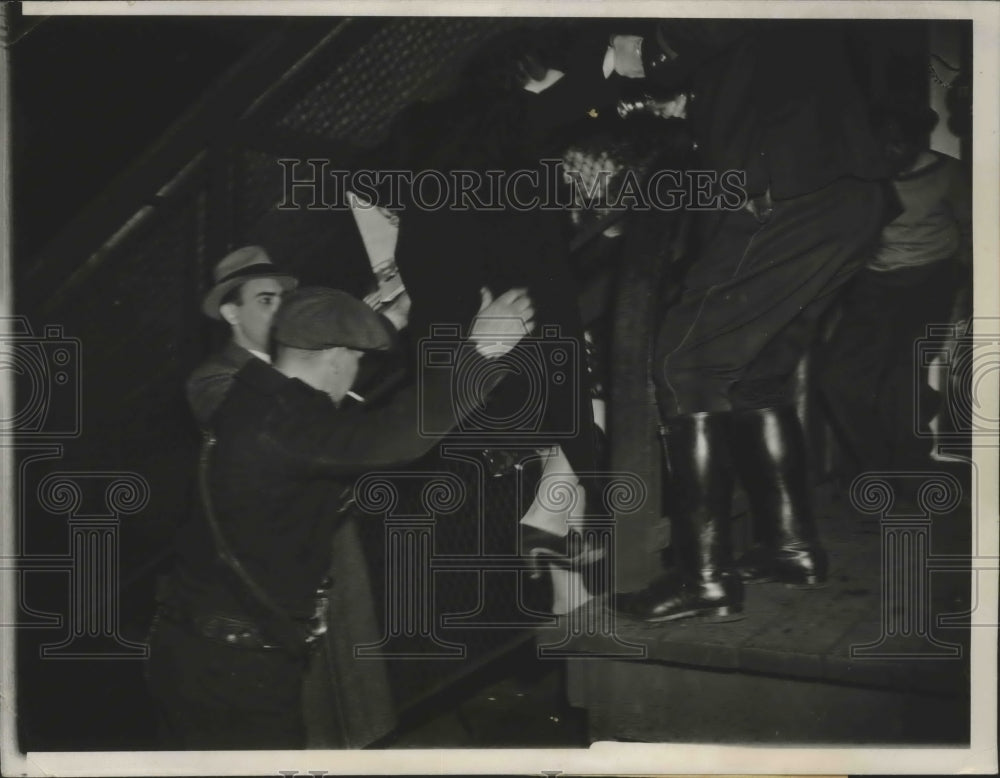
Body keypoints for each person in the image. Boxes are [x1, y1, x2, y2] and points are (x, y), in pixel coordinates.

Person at [147, 284, 535, 749]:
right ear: (334, 357)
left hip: (193, 649)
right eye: (353, 360)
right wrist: (482, 352)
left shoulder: (255, 397)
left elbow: (347, 424)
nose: (353, 375)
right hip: (233, 670)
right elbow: (395, 440)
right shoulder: (287, 428)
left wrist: (387, 324)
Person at [611, 20, 892, 622]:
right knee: (758, 372)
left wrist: (642, 51)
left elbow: (700, 30)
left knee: (682, 363)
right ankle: (790, 548)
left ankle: (703, 580)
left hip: (785, 193)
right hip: (847, 195)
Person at [820, 103, 972, 478]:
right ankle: (876, 464)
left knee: (902, 382)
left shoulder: (949, 173)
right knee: (839, 378)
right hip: (874, 285)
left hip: (930, 282)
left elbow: (973, 233)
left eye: (896, 143)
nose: (887, 152)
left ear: (917, 141)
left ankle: (910, 468)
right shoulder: (864, 175)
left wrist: (964, 296)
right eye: (879, 144)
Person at [185, 245, 297, 428]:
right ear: (232, 314)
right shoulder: (211, 379)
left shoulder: (288, 357)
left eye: (282, 299)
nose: (281, 311)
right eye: (266, 301)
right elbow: (260, 431)